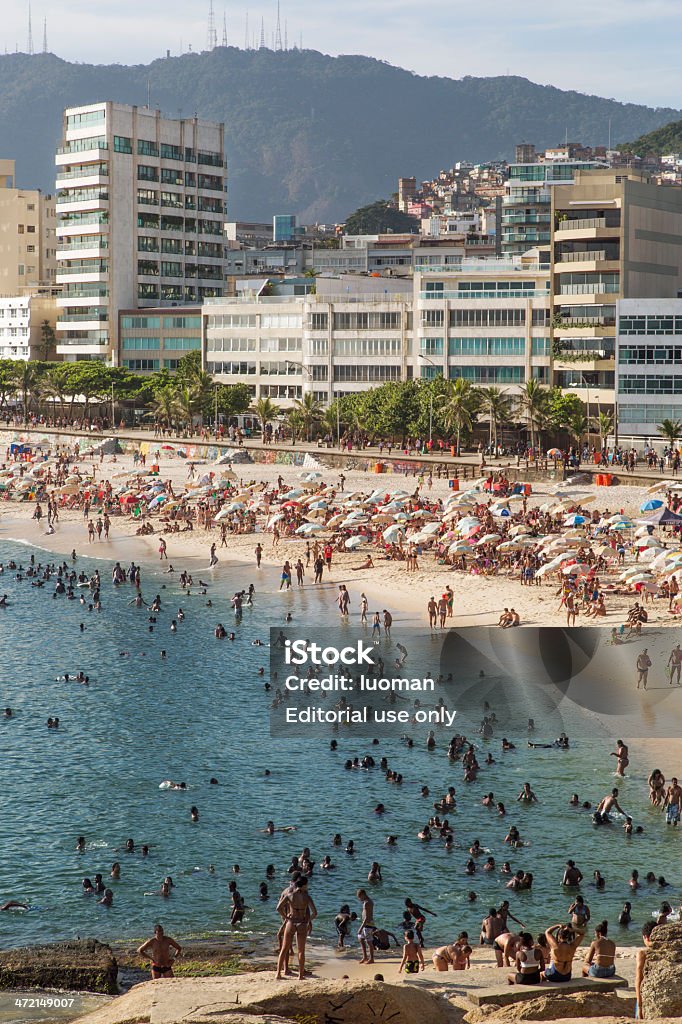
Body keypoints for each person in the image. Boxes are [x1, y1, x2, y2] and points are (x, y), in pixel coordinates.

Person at [276, 877, 317, 980]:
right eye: (307, 885)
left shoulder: (289, 895)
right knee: (301, 951)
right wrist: (308, 920)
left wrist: (286, 917)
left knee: (284, 949)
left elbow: (278, 908)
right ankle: (300, 975)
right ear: (303, 885)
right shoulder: (307, 897)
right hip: (302, 923)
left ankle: (278, 974)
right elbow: (315, 913)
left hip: (291, 922)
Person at [635, 921, 656, 1020]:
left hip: (646, 995)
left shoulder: (643, 954)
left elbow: (639, 978)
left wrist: (639, 1005)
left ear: (645, 937)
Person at [357, 888, 377, 965]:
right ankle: (365, 956)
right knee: (361, 939)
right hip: (366, 924)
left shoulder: (367, 903)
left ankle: (371, 958)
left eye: (359, 897)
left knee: (369, 941)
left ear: (363, 895)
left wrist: (361, 927)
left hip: (368, 924)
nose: (359, 899)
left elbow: (367, 916)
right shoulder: (368, 901)